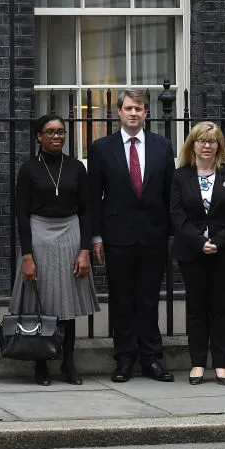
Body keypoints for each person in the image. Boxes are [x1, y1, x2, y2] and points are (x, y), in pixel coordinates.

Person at [87, 89, 175, 383]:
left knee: (149, 299)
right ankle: (124, 358)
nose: (134, 113)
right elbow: (93, 197)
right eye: (128, 108)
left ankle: (151, 358)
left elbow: (169, 195)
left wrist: (171, 234)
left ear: (146, 113)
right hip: (117, 235)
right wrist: (96, 237)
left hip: (153, 235)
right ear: (119, 112)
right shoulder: (101, 148)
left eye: (139, 108)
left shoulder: (163, 147)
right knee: (122, 299)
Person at [13, 115, 99, 386]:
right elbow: (21, 215)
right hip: (39, 234)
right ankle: (41, 362)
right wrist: (27, 255)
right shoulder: (28, 170)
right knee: (42, 301)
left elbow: (87, 211)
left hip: (71, 233)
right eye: (50, 132)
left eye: (60, 132)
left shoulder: (76, 168)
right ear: (38, 136)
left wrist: (84, 250)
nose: (56, 137)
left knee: (68, 301)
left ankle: (68, 362)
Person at [170, 121, 225, 386]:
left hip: (224, 252)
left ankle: (222, 364)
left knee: (220, 308)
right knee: (196, 309)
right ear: (193, 145)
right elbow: (176, 214)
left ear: (219, 146)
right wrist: (198, 241)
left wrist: (218, 241)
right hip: (192, 253)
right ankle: (198, 363)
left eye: (212, 141)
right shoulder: (181, 176)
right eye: (201, 140)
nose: (207, 145)